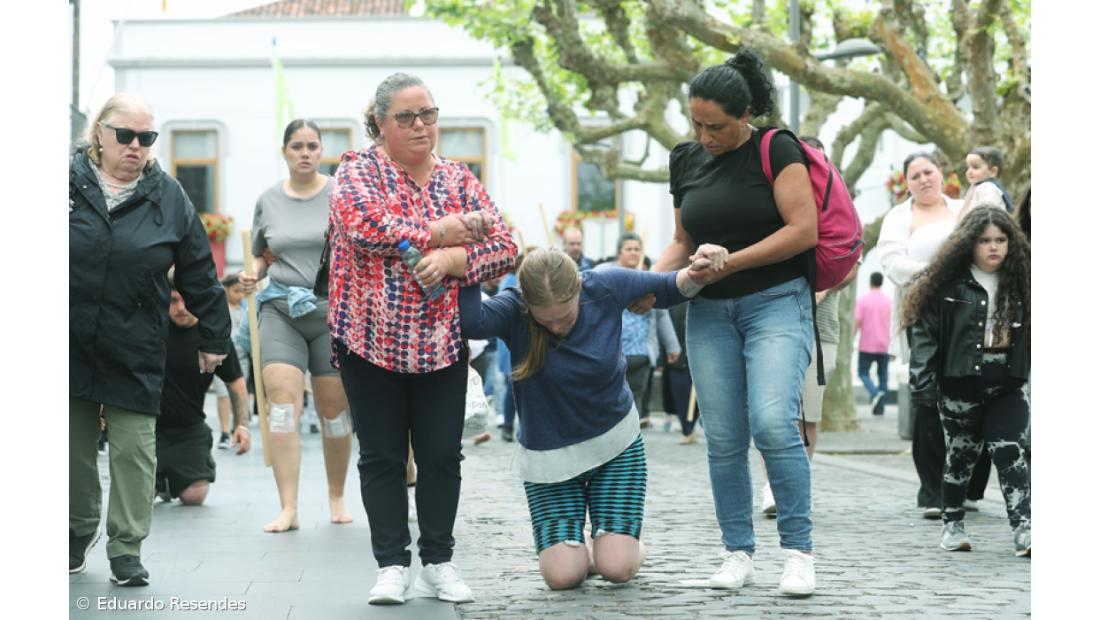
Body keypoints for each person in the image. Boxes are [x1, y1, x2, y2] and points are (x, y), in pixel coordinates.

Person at [328, 72, 517, 605]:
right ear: (380, 124)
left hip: (441, 342)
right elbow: (365, 226)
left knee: (440, 455)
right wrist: (442, 229)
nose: (420, 126)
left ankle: (438, 560)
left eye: (428, 114)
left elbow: (506, 245)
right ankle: (391, 565)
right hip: (368, 341)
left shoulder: (459, 178)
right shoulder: (356, 170)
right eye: (406, 117)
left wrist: (455, 257)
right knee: (382, 456)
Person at [646, 48, 819, 596]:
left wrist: (730, 261)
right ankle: (737, 552)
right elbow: (681, 241)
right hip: (709, 312)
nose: (704, 135)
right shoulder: (686, 158)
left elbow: (803, 230)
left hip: (776, 302)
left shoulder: (777, 147)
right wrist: (647, 287)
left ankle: (797, 553)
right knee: (722, 437)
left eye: (715, 126)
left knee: (772, 424)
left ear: (744, 117)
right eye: (695, 122)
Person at [458, 248, 710, 590]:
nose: (557, 326)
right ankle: (586, 544)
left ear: (578, 286)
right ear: (527, 304)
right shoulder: (513, 307)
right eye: (545, 320)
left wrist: (699, 268)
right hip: (549, 457)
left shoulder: (605, 284)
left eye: (564, 316)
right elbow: (472, 321)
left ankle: (617, 545)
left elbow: (670, 286)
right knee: (563, 577)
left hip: (614, 444)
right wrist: (468, 261)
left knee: (617, 569)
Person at [70, 93, 230, 585]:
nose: (136, 146)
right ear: (100, 132)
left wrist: (214, 336)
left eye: (147, 138)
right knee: (70, 447)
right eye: (126, 135)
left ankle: (126, 548)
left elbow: (200, 271)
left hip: (135, 338)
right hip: (67, 336)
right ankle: (75, 532)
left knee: (134, 449)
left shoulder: (168, 195)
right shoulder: (66, 182)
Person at [238, 119, 354, 533]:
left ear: (322, 151)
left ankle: (337, 495)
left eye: (312, 146)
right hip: (280, 310)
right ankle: (288, 507)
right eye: (296, 147)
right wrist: (251, 273)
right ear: (284, 152)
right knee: (282, 405)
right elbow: (260, 254)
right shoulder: (267, 200)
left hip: (330, 313)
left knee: (334, 411)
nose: (304, 153)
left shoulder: (342, 195)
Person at [902, 207, 1030, 557]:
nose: (993, 247)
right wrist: (922, 386)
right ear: (968, 244)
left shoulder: (1025, 279)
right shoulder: (945, 284)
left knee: (1010, 453)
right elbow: (925, 337)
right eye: (985, 240)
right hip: (960, 386)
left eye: (1001, 240)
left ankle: (1024, 529)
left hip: (1008, 383)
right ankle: (953, 524)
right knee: (961, 456)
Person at [879, 151, 990, 519]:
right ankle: (932, 491)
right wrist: (937, 274)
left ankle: (971, 487)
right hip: (924, 313)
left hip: (970, 314)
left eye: (929, 172)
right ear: (906, 183)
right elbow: (893, 263)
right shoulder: (899, 217)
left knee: (974, 394)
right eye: (915, 175)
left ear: (942, 174)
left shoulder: (966, 207)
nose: (924, 179)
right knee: (927, 398)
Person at [157, 276, 252, 506]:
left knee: (194, 496)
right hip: (150, 429)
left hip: (189, 430)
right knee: (138, 493)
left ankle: (171, 480)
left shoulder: (212, 337)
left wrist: (241, 425)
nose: (180, 308)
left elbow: (235, 382)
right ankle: (160, 481)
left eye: (185, 301)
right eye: (173, 301)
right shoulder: (153, 331)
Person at [599, 234, 680, 429]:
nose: (634, 253)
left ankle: (630, 437)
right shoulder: (604, 274)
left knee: (636, 396)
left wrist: (672, 346)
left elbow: (661, 314)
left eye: (637, 249)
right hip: (613, 351)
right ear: (620, 252)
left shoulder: (648, 275)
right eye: (629, 249)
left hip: (642, 352)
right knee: (611, 396)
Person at [213, 273, 248, 449]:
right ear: (226, 290)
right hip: (222, 356)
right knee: (223, 394)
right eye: (235, 291)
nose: (239, 295)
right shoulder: (219, 308)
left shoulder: (246, 309)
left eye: (242, 291)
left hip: (242, 357)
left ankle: (238, 428)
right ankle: (225, 431)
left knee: (240, 392)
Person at [855, 272, 892, 416]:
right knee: (883, 375)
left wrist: (853, 338)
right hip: (884, 344)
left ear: (870, 282)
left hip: (867, 344)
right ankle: (880, 408)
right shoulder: (888, 301)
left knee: (863, 373)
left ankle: (875, 393)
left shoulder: (863, 300)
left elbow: (858, 322)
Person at [958, 146, 1012, 220]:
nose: (969, 172)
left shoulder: (988, 188)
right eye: (968, 167)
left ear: (993, 171)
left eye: (975, 167)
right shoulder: (976, 187)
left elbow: (987, 213)